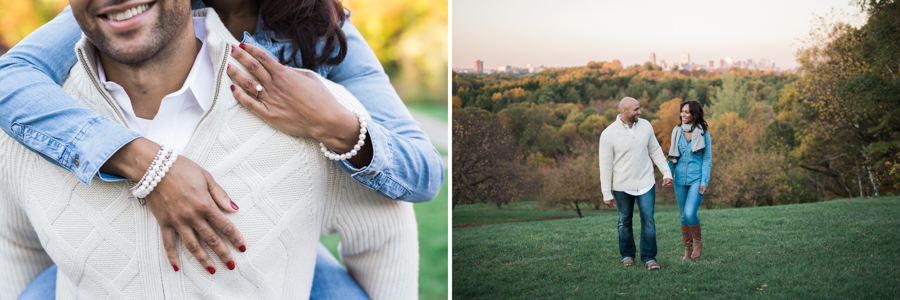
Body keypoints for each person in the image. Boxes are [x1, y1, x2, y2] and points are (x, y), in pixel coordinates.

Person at [0, 0, 442, 297]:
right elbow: (10, 77)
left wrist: (333, 122)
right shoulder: (141, 9)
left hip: (265, 237)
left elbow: (421, 174)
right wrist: (146, 163)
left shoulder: (320, 28)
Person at [599, 97, 673, 271]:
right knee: (624, 221)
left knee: (648, 219)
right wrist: (606, 193)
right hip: (622, 186)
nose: (639, 112)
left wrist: (667, 173)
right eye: (636, 109)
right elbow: (605, 166)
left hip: (646, 183)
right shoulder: (608, 134)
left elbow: (655, 150)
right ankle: (627, 255)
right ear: (624, 111)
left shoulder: (646, 125)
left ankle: (649, 258)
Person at [667, 100, 712, 260]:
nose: (683, 115)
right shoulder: (677, 131)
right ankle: (688, 249)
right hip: (679, 180)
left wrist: (704, 181)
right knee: (683, 216)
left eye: (686, 112)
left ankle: (697, 243)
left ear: (694, 114)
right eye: (682, 111)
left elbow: (707, 159)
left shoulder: (703, 133)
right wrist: (668, 175)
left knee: (690, 213)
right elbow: (672, 156)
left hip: (696, 179)